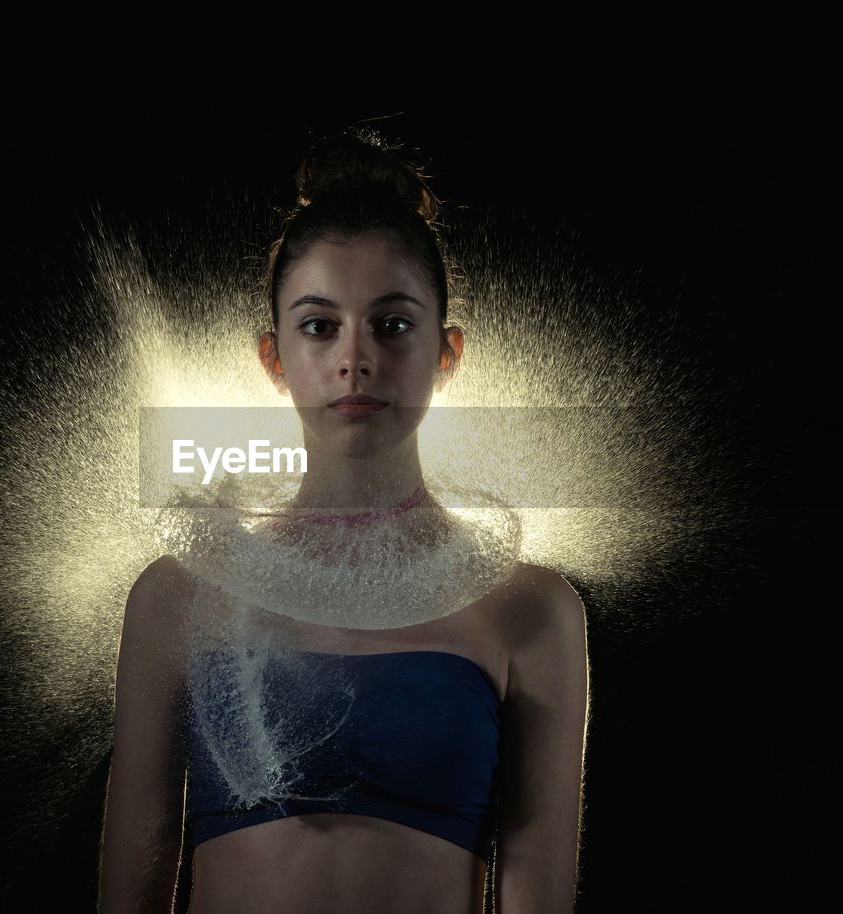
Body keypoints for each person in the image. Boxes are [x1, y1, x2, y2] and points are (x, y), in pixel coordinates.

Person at [98, 125, 590, 914]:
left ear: (447, 351)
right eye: (320, 325)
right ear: (273, 356)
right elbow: (128, 894)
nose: (354, 357)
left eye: (392, 324)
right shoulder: (178, 598)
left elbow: (538, 898)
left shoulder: (531, 611)